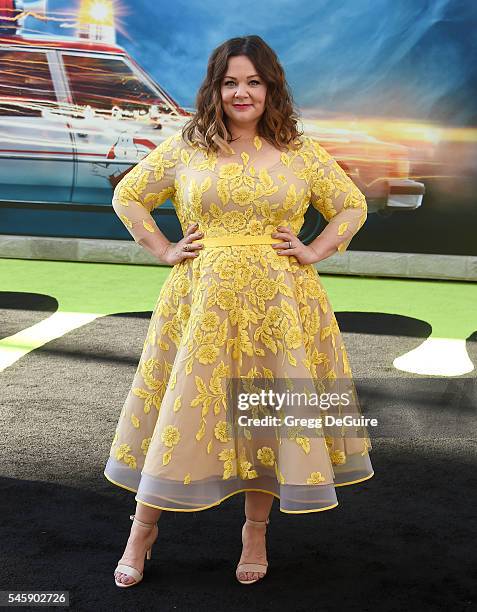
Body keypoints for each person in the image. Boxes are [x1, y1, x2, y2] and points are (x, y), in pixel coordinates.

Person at [104, 34, 374, 588]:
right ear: (216, 88)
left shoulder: (299, 149)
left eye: (254, 81)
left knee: (266, 414)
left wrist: (316, 250)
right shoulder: (189, 146)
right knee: (180, 413)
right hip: (200, 301)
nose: (242, 92)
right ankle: (141, 532)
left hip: (281, 304)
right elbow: (128, 194)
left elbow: (352, 203)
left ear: (270, 86)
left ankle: (256, 531)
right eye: (231, 82)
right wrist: (164, 249)